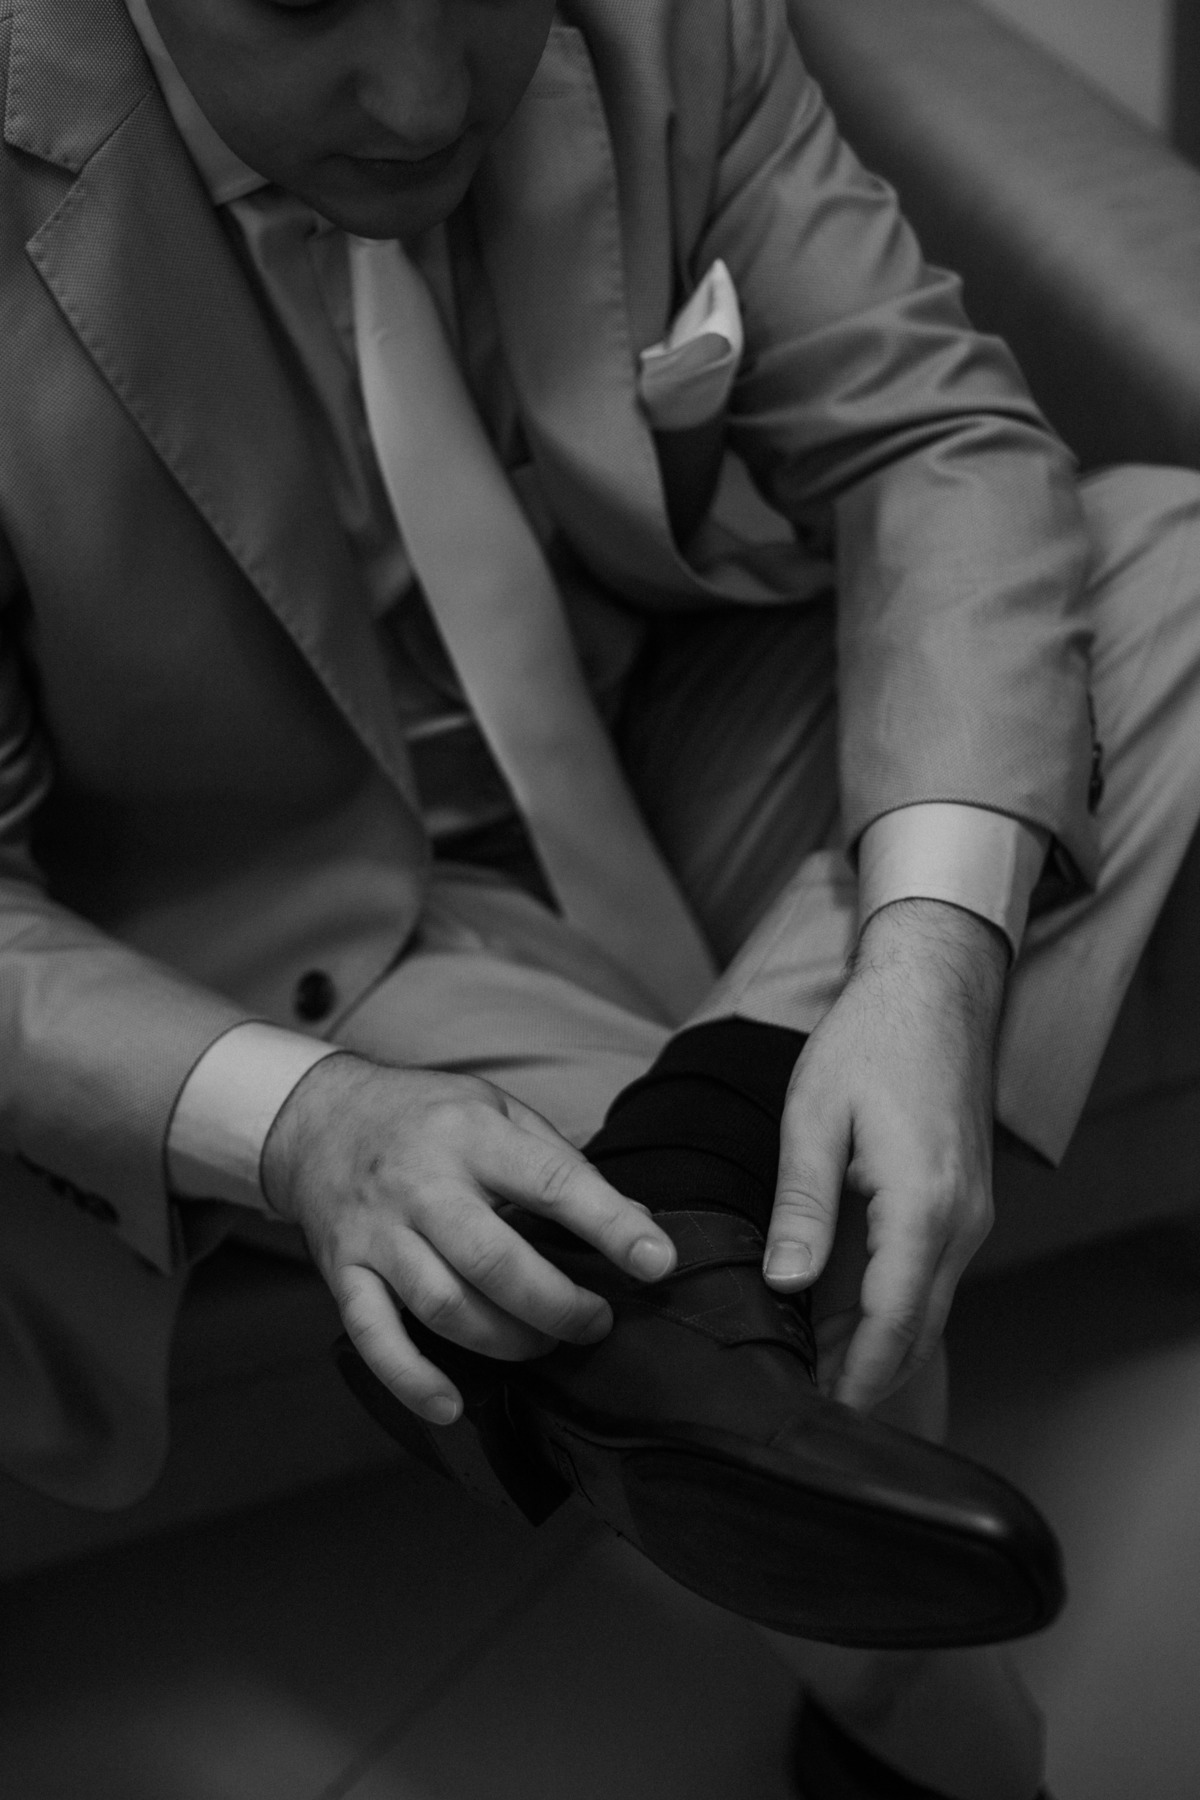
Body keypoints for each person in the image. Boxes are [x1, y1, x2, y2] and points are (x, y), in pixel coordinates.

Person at [4, 0, 1200, 1793]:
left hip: (658, 708)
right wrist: (313, 1129)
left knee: (1171, 551)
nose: (423, 100)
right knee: (816, 1263)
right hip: (311, 928)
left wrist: (930, 965)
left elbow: (932, 439)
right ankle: (930, 1756)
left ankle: (692, 1183)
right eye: (306, 2)